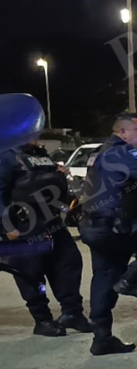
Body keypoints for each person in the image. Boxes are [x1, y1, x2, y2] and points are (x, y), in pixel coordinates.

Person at [78, 113, 137, 354]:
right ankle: (131, 279)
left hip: (95, 226)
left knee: (103, 277)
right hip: (117, 227)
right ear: (122, 132)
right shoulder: (122, 152)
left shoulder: (100, 152)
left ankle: (101, 337)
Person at [0, 132, 91, 337]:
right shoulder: (7, 156)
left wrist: (60, 173)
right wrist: (7, 227)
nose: (36, 135)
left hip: (51, 221)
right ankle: (42, 320)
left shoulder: (39, 154)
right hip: (25, 225)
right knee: (30, 273)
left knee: (69, 262)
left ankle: (72, 313)